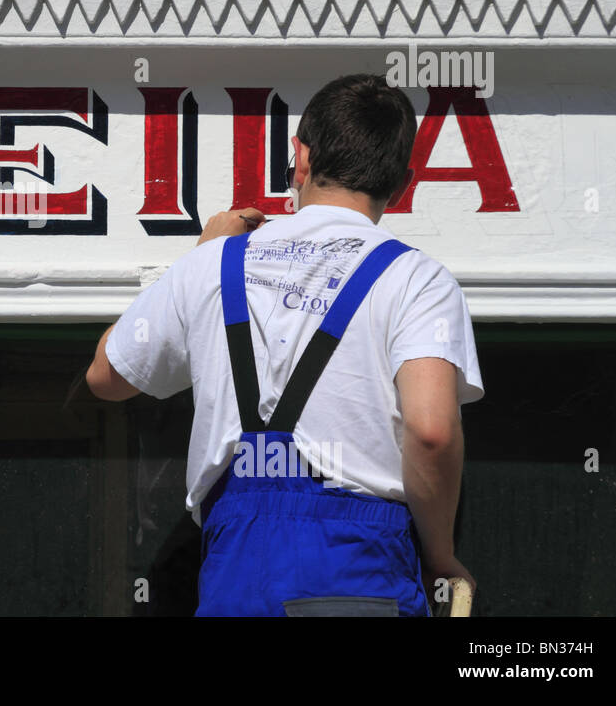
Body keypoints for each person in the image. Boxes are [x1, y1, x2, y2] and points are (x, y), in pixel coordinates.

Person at [86, 73, 483, 616]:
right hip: (361, 568)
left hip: (237, 570)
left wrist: (200, 257)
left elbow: (105, 377)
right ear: (403, 181)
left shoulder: (212, 263)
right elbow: (433, 432)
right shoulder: (418, 280)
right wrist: (440, 554)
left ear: (300, 156)